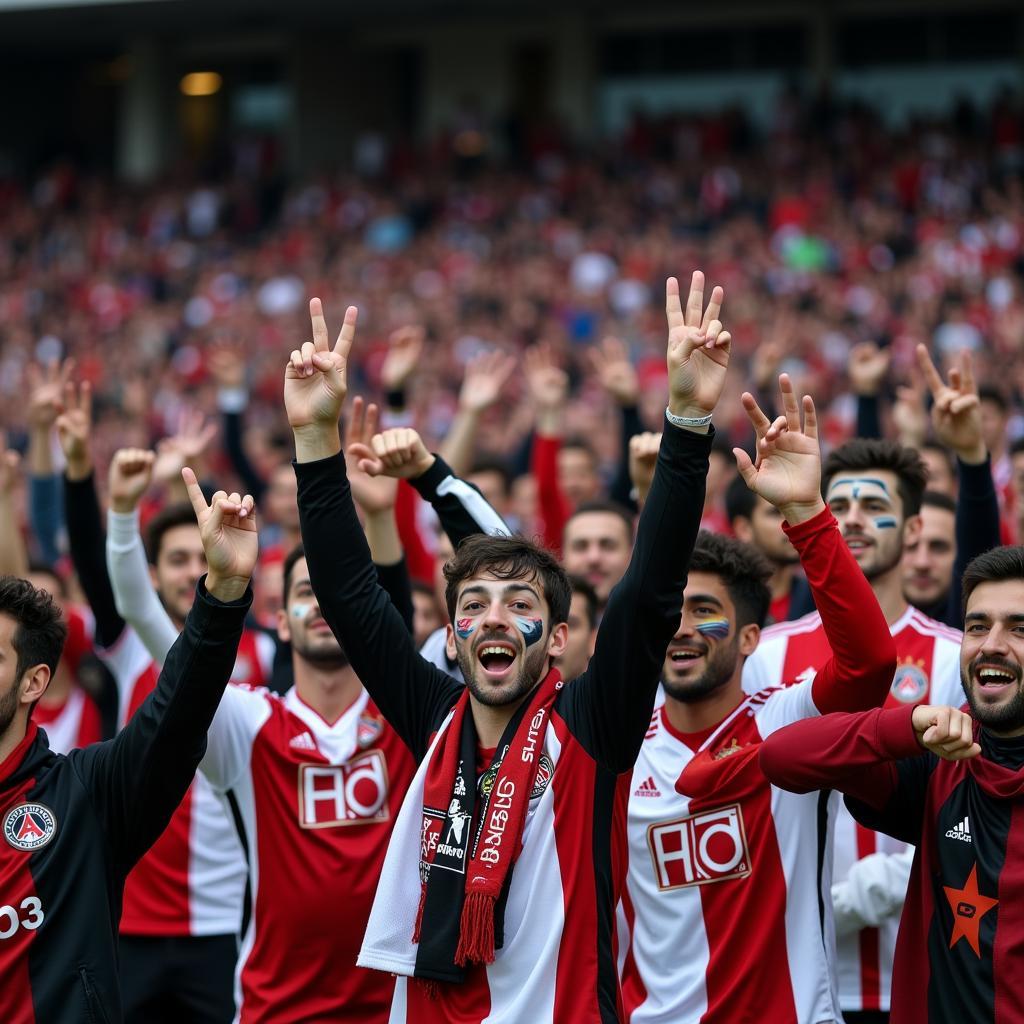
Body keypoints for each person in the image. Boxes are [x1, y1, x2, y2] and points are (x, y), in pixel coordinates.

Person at [286, 272, 729, 1021]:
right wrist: (312, 439)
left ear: (557, 638)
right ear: (453, 635)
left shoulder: (594, 724)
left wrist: (685, 422)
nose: (493, 618)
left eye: (519, 604)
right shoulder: (432, 716)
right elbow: (350, 596)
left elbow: (650, 591)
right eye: (473, 606)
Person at [619, 376, 898, 1023]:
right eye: (671, 612)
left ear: (751, 636)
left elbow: (870, 663)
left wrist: (806, 514)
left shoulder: (788, 716)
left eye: (704, 611)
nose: (681, 628)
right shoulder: (617, 749)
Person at [0, 471, 256, 1024]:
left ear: (32, 683)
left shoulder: (84, 795)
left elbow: (178, 716)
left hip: (212, 926)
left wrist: (223, 594)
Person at [742, 430, 965, 1022]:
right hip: (797, 968)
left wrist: (875, 887)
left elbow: (962, 802)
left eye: (875, 506)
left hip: (919, 963)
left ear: (914, 530)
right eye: (836, 506)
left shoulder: (957, 657)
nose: (853, 521)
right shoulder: (765, 653)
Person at [759, 545, 1024, 1024]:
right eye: (977, 626)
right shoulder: (942, 764)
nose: (991, 645)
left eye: (1019, 629)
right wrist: (905, 725)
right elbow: (782, 755)